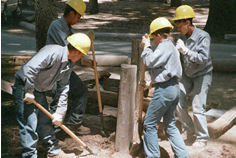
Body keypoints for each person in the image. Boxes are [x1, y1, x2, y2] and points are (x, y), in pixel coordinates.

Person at [12, 33, 91, 158]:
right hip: (25, 86)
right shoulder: (52, 52)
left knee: (44, 121)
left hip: (39, 90)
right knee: (29, 123)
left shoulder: (69, 64)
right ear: (77, 51)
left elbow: (64, 87)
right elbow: (29, 69)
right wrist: (29, 91)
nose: (81, 57)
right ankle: (30, 155)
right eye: (82, 54)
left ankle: (53, 152)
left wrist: (60, 113)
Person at [141, 17, 188, 158]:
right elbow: (163, 68)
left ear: (159, 35)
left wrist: (146, 47)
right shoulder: (171, 47)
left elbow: (150, 61)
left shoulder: (164, 46)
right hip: (174, 88)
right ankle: (183, 155)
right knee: (170, 125)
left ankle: (153, 156)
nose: (153, 41)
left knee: (149, 125)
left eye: (153, 37)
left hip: (164, 90)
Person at [46, 0, 91, 135]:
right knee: (58, 97)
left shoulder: (68, 28)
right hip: (54, 71)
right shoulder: (57, 26)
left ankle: (73, 124)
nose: (78, 20)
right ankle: (52, 134)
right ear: (71, 13)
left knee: (80, 91)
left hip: (65, 70)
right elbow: (70, 48)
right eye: (78, 17)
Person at [172, 5, 213, 147]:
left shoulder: (203, 36)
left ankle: (202, 138)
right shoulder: (181, 36)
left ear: (187, 23)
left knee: (197, 106)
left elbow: (203, 58)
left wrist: (186, 51)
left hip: (202, 74)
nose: (178, 28)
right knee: (176, 97)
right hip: (188, 75)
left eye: (179, 25)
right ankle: (190, 131)